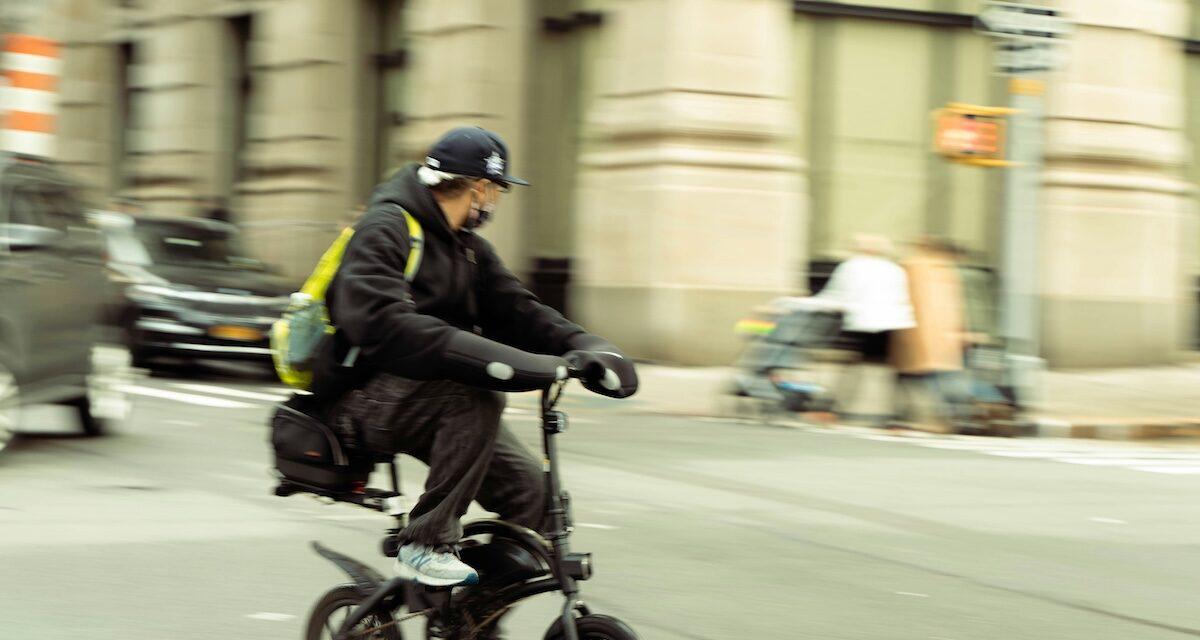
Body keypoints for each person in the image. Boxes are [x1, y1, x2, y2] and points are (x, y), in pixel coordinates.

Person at [305, 126, 639, 587]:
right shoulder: (386, 228)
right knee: (475, 392)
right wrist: (485, 359)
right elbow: (379, 323)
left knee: (534, 496)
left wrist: (588, 347)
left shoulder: (468, 250)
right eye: (497, 193)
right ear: (480, 189)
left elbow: (518, 310)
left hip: (427, 402)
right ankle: (425, 543)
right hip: (360, 403)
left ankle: (472, 616)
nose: (495, 205)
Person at [815, 234, 915, 421]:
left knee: (855, 366)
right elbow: (902, 298)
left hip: (862, 322)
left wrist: (811, 305)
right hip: (893, 323)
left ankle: (832, 407)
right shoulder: (895, 269)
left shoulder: (852, 266)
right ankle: (901, 414)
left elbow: (837, 294)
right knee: (893, 370)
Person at [890, 236, 971, 431]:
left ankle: (912, 415)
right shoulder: (946, 271)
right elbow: (955, 305)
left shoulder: (912, 268)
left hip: (917, 329)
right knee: (938, 376)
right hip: (943, 333)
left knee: (918, 377)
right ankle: (950, 415)